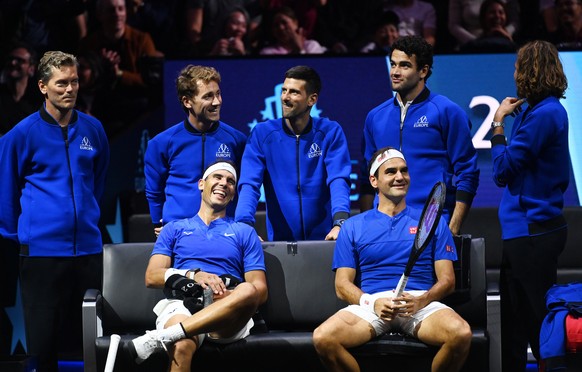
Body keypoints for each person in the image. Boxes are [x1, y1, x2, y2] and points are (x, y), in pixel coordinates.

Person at [313, 147, 472, 372]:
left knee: (461, 334)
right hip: (372, 304)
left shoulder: (432, 221)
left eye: (404, 171)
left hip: (417, 302)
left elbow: (447, 281)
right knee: (323, 338)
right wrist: (372, 303)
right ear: (374, 181)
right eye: (391, 172)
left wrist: (422, 300)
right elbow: (342, 286)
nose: (400, 177)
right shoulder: (351, 227)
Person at [0, 51, 110, 372]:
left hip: (89, 250)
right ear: (43, 87)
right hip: (41, 254)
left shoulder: (94, 129)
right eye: (61, 83)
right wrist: (22, 237)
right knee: (43, 344)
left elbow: (98, 182)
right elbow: (6, 192)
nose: (70, 89)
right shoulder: (21, 134)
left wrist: (87, 218)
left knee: (94, 339)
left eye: (74, 81)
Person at [129, 161, 267, 371]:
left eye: (230, 181)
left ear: (233, 193)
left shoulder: (245, 232)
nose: (224, 183)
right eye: (218, 177)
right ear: (202, 184)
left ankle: (164, 336)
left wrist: (222, 297)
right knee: (182, 344)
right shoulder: (173, 229)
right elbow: (152, 276)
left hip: (227, 312)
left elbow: (260, 291)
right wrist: (193, 275)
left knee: (248, 289)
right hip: (184, 305)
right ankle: (176, 335)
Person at [489, 40, 569, 372]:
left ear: (530, 70)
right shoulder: (542, 112)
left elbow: (502, 171)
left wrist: (497, 125)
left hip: (532, 233)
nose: (514, 72)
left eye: (518, 66)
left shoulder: (545, 114)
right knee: (514, 326)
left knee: (536, 326)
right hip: (525, 233)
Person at [360, 35, 479, 236]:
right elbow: (366, 177)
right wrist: (367, 225)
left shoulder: (447, 112)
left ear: (423, 71)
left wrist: (453, 227)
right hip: (383, 228)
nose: (395, 72)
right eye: (393, 64)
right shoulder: (374, 117)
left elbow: (468, 172)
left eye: (405, 66)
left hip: (432, 223)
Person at [235, 65, 352, 241]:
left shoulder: (330, 132)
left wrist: (340, 223)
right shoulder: (262, 134)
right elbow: (250, 184)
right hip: (281, 243)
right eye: (284, 91)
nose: (285, 98)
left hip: (327, 239)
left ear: (311, 99)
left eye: (294, 92)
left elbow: (338, 179)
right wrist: (244, 224)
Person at [145, 65, 246, 236]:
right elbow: (154, 191)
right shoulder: (162, 143)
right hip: (178, 232)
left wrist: (242, 223)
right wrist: (159, 222)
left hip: (225, 233)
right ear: (187, 101)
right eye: (208, 96)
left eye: (218, 94)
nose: (217, 101)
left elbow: (245, 187)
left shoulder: (237, 140)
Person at [0, 43, 43, 135]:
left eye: (20, 60)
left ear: (31, 69)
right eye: (11, 59)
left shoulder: (37, 102)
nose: (13, 63)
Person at [259, 6, 327, 55]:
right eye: (276, 25)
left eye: (284, 22)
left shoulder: (311, 46)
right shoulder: (267, 52)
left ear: (295, 23)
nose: (281, 28)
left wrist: (300, 50)